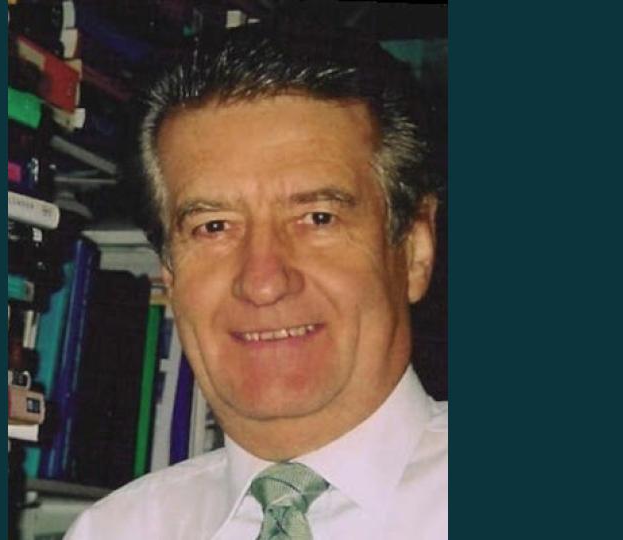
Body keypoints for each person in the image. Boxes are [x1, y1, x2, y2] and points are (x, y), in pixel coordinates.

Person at [65, 25, 446, 540]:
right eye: (214, 227)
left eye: (317, 218)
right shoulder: (115, 531)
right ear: (169, 274)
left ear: (415, 250)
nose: (263, 282)